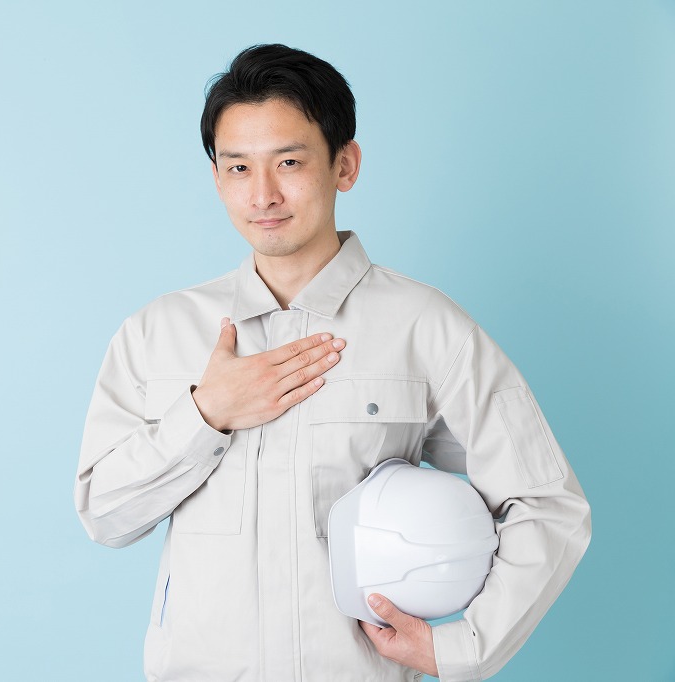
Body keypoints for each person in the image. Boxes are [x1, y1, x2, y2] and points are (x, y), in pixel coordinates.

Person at [74, 44, 590, 682]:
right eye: (238, 168)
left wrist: (462, 649)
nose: (263, 194)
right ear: (217, 177)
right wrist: (207, 415)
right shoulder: (158, 332)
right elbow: (105, 515)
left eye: (289, 162)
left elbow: (547, 500)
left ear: (345, 164)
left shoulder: (425, 325)